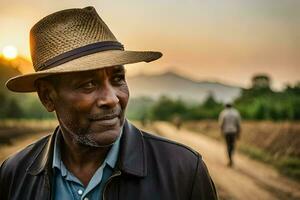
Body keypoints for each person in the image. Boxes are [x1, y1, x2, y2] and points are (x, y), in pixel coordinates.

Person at [0, 7, 218, 200]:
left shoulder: (184, 171)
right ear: (47, 96)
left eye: (118, 79)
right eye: (88, 84)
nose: (112, 99)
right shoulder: (14, 175)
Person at [218, 103, 241, 167]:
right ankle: (231, 156)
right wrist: (239, 133)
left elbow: (221, 124)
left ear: (225, 106)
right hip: (233, 131)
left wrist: (221, 132)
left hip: (227, 132)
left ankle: (230, 159)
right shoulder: (236, 113)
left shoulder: (223, 113)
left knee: (228, 145)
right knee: (232, 145)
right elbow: (238, 124)